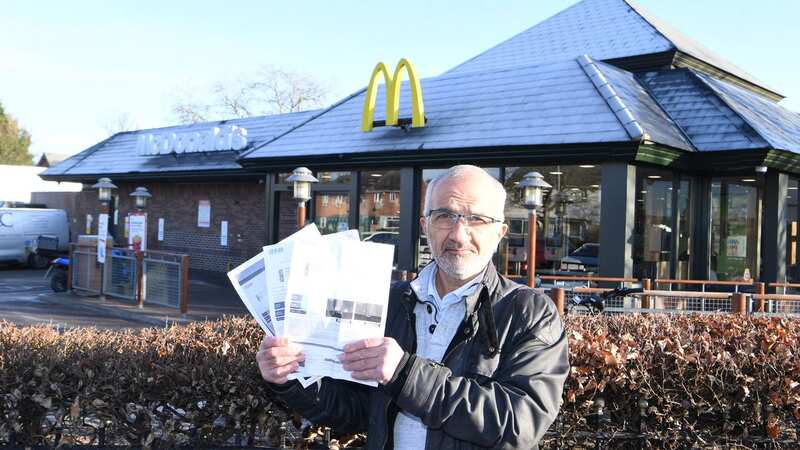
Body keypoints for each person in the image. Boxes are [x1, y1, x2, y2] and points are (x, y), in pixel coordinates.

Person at [256, 165, 569, 449]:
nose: (459, 234)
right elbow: (358, 411)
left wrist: (405, 373)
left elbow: (519, 423)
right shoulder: (390, 300)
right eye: (445, 215)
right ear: (425, 225)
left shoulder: (529, 313)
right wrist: (289, 380)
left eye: (476, 219)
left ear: (500, 233)